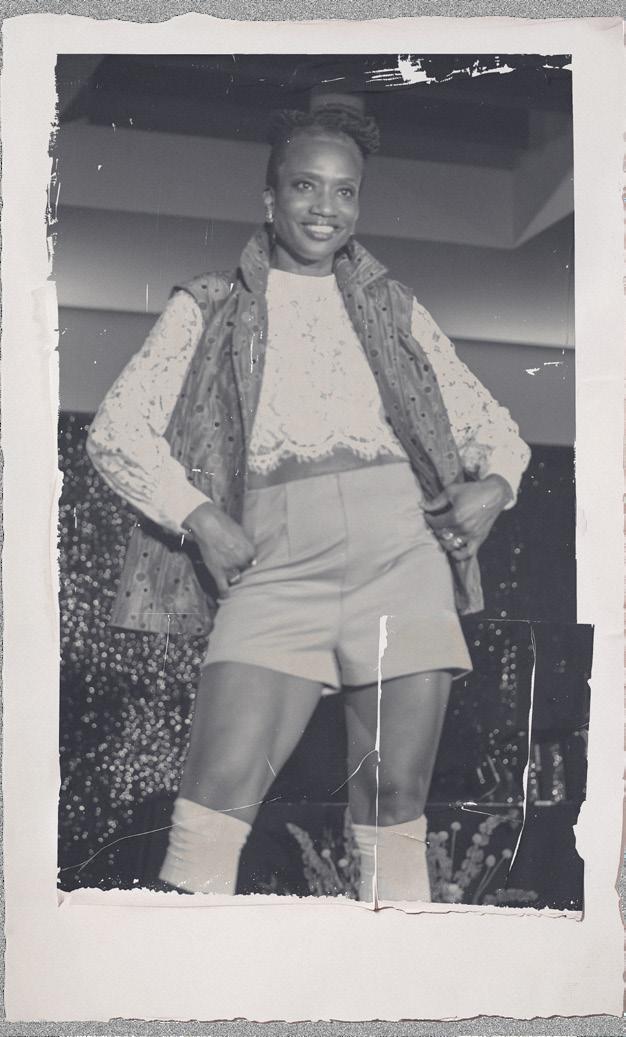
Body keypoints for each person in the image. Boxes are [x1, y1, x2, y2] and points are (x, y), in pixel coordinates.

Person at [86, 92, 530, 904]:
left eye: (344, 191)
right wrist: (201, 517)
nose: (325, 207)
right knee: (212, 807)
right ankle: (174, 985)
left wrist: (493, 489)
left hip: (403, 560)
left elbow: (494, 430)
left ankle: (392, 984)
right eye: (305, 186)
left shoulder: (395, 308)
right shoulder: (208, 305)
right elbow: (115, 432)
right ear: (270, 198)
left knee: (394, 802)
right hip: (276, 569)